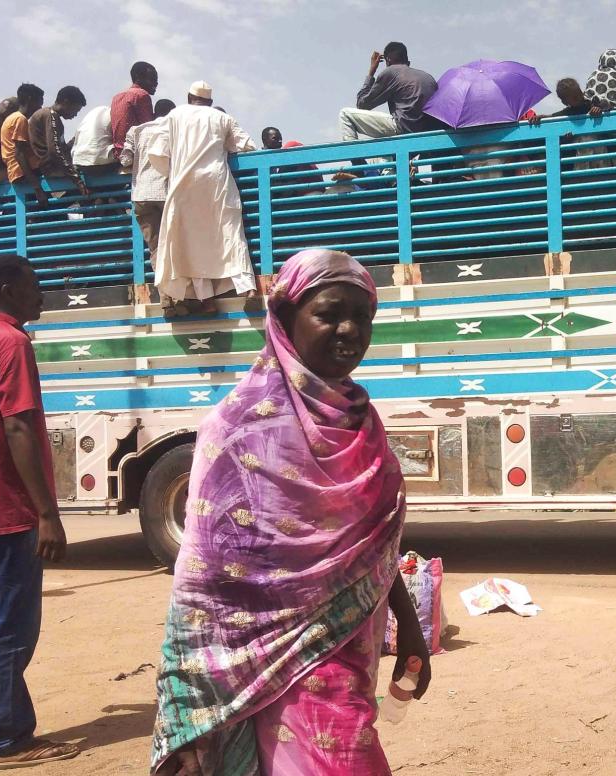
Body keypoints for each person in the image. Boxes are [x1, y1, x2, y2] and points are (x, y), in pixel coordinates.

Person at [150, 249, 432, 776]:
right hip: (260, 663)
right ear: (284, 319)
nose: (350, 330)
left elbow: (371, 547)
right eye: (330, 313)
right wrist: (188, 709)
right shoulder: (236, 428)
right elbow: (201, 586)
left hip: (348, 651)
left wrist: (408, 627)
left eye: (363, 316)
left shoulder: (359, 421)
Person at [0, 255, 78, 769]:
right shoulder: (12, 342)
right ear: (9, 288)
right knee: (8, 629)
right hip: (6, 510)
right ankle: (6, 740)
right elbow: (17, 427)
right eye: (34, 284)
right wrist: (46, 512)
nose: (41, 294)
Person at [153, 81, 257, 316]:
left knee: (193, 243)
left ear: (189, 97)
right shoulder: (222, 118)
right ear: (210, 102)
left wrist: (173, 170)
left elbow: (158, 154)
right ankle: (248, 288)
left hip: (184, 186)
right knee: (231, 234)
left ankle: (207, 301)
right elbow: (247, 145)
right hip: (217, 183)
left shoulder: (174, 115)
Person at [121, 99, 176, 304]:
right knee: (173, 246)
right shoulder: (173, 129)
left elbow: (125, 159)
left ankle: (166, 297)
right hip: (166, 193)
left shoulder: (137, 130)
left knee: (155, 249)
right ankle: (180, 296)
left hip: (141, 195)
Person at [340, 42, 441, 142]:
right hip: (425, 134)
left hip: (404, 128)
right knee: (381, 158)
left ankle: (356, 158)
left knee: (345, 114)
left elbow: (362, 104)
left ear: (388, 60)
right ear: (407, 61)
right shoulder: (428, 77)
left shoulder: (392, 72)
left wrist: (371, 72)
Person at [28, 86, 89, 196]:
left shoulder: (48, 115)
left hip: (48, 166)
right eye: (75, 110)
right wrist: (76, 179)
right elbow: (55, 150)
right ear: (66, 102)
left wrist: (76, 139)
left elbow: (59, 148)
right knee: (89, 176)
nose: (75, 115)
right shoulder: (51, 116)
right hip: (49, 167)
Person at [1, 84, 49, 205]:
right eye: (39, 102)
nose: (40, 107)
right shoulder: (20, 119)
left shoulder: (12, 118)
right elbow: (19, 153)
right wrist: (37, 187)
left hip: (17, 171)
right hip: (22, 172)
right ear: (29, 99)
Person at [111, 61, 159, 154]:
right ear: (138, 78)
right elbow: (148, 127)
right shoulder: (141, 95)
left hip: (117, 151)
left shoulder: (116, 97)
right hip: (131, 152)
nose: (156, 83)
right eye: (152, 79)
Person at [528, 78, 603, 125]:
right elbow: (553, 116)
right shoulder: (568, 112)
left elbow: (604, 108)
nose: (579, 97)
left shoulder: (591, 103)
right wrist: (539, 117)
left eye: (579, 93)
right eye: (575, 98)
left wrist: (597, 110)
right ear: (565, 103)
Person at [71, 104, 117, 176]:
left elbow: (76, 139)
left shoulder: (93, 113)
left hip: (80, 163)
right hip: (102, 165)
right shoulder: (116, 114)